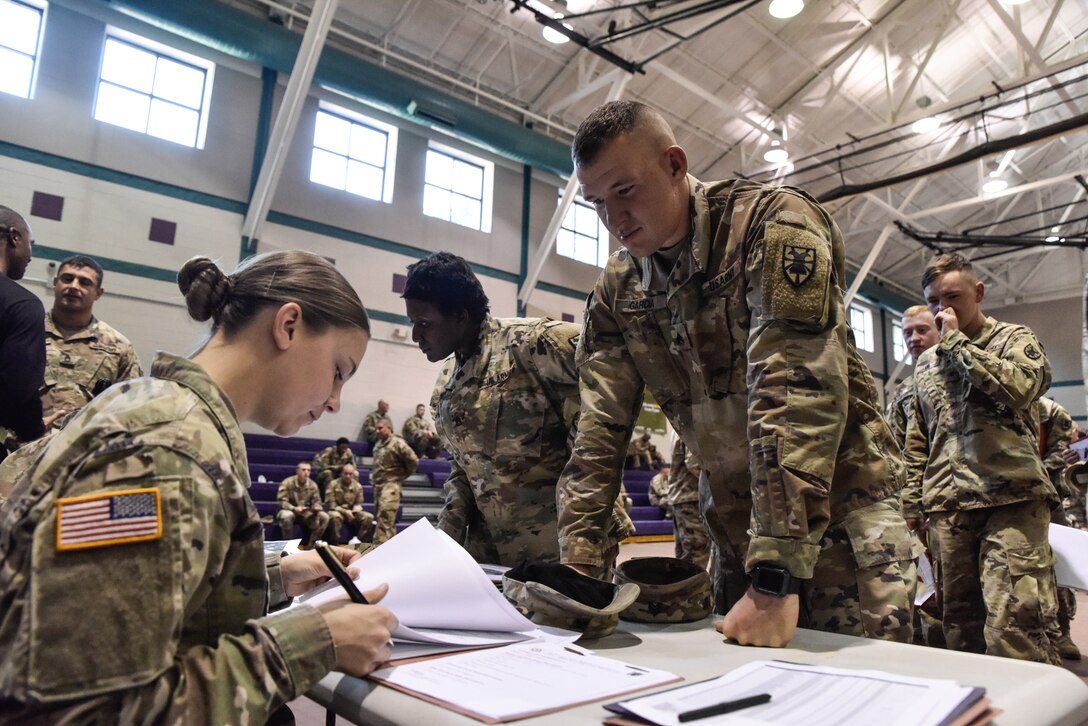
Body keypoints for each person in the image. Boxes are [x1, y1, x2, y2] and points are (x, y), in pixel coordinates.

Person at [557, 100, 916, 648]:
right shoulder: (618, 290)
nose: (614, 219)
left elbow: (793, 394)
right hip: (736, 538)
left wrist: (776, 575)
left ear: (675, 165)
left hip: (840, 526)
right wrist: (578, 568)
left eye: (625, 191)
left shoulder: (771, 225)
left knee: (865, 699)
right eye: (597, 203)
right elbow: (598, 434)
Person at [0, 251, 397, 722]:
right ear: (288, 326)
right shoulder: (169, 454)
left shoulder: (153, 411)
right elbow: (88, 711)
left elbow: (131, 588)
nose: (335, 403)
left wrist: (269, 575)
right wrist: (310, 643)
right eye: (338, 371)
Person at [402, 252, 633, 570]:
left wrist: (581, 553)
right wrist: (446, 544)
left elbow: (597, 448)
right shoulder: (446, 387)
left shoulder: (539, 346)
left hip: (563, 553)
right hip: (493, 557)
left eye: (424, 324)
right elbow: (464, 473)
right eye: (413, 324)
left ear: (460, 315)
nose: (416, 336)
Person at [904, 252, 1059, 664]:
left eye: (952, 296)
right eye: (935, 300)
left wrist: (955, 342)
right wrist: (910, 506)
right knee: (958, 627)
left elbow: (1021, 388)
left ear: (979, 292)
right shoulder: (925, 367)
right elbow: (919, 438)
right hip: (948, 507)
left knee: (1015, 621)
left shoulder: (1014, 340)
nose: (943, 308)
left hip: (1010, 500)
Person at [39, 255, 141, 429]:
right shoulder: (25, 331)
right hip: (18, 449)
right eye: (67, 279)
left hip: (82, 451)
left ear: (98, 293)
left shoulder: (117, 347)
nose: (73, 286)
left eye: (84, 282)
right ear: (55, 282)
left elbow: (130, 407)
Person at [1034, 396, 1081, 660]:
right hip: (1005, 501)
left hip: (1048, 499)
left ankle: (1062, 632)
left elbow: (1059, 456)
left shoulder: (1053, 413)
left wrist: (1023, 475)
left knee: (1057, 569)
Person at [0, 205, 46, 461]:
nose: (30, 255)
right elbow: (18, 391)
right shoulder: (21, 304)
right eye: (31, 243)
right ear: (15, 237)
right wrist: (34, 428)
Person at [886, 305, 941, 446]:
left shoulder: (959, 374)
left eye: (922, 330)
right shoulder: (903, 390)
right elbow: (895, 444)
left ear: (940, 330)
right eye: (908, 333)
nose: (914, 338)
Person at [370, 417, 418, 545]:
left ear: (389, 428)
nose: (377, 431)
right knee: (387, 523)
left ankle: (378, 549)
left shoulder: (398, 442)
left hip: (391, 486)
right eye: (376, 428)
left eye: (380, 428)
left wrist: (402, 476)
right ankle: (391, 548)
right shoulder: (378, 444)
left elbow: (413, 460)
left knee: (384, 519)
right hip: (378, 486)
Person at [669, 440, 709, 569]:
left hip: (681, 497)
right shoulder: (692, 423)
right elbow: (694, 463)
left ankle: (681, 587)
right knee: (697, 554)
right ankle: (694, 588)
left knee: (684, 556)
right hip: (690, 497)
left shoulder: (681, 423)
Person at [276, 461, 330, 548]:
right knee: (287, 516)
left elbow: (317, 501)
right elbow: (281, 502)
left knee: (325, 517)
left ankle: (311, 547)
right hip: (290, 510)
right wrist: (293, 508)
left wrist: (316, 507)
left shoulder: (313, 485)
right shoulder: (287, 483)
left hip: (305, 511)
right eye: (304, 470)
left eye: (308, 470)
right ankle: (289, 547)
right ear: (297, 471)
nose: (306, 473)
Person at [324, 463, 374, 545]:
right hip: (337, 511)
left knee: (369, 517)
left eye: (350, 474)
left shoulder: (358, 486)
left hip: (352, 513)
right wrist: (345, 512)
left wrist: (357, 508)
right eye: (345, 473)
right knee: (335, 517)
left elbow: (359, 502)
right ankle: (334, 544)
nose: (348, 476)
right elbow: (330, 504)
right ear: (341, 473)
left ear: (353, 474)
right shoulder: (333, 484)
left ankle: (358, 542)